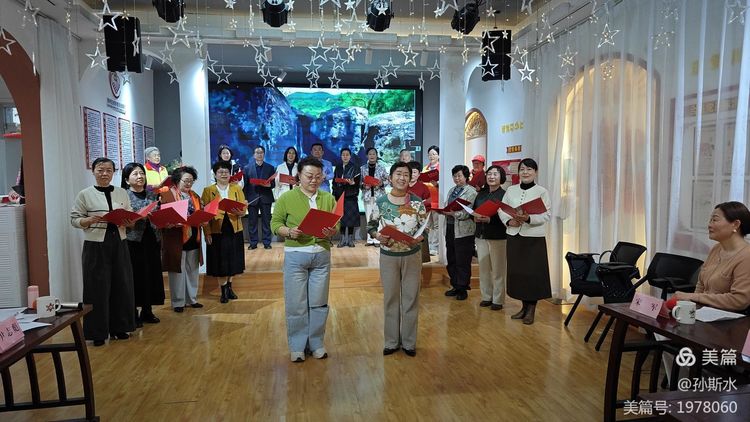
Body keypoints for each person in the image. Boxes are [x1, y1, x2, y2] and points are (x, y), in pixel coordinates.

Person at [271, 157, 339, 362]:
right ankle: (297, 346)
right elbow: (275, 224)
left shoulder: (328, 198)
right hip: (296, 255)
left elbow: (336, 224)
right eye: (309, 176)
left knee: (319, 303)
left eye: (318, 176)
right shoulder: (286, 198)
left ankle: (316, 343)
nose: (314, 180)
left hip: (321, 255)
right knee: (296, 303)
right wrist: (289, 231)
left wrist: (332, 231)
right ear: (298, 175)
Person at [70, 157, 136, 346]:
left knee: (122, 284)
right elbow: (74, 219)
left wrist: (130, 222)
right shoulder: (85, 194)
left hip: (119, 242)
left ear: (114, 172)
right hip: (95, 245)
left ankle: (120, 328)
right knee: (96, 288)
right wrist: (87, 221)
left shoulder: (121, 193)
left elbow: (130, 217)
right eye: (100, 170)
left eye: (108, 170)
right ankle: (97, 332)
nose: (105, 173)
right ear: (93, 172)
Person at [368, 162, 429, 357]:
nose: (402, 178)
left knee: (411, 298)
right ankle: (391, 341)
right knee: (391, 299)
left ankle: (409, 342)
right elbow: (370, 226)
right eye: (398, 174)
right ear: (390, 178)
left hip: (412, 255)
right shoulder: (381, 202)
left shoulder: (417, 202)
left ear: (410, 178)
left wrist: (420, 237)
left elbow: (425, 228)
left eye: (406, 175)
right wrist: (377, 236)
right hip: (389, 256)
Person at [498, 158, 551, 325]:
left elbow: (547, 215)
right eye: (522, 169)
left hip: (534, 239)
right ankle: (523, 308)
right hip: (514, 236)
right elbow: (502, 209)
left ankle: (531, 310)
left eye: (529, 169)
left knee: (533, 274)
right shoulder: (511, 190)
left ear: (535, 172)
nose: (525, 172)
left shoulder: (542, 191)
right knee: (518, 274)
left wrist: (529, 218)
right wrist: (509, 221)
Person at [674, 201, 750, 312]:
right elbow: (701, 285)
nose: (709, 225)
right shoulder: (716, 249)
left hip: (729, 319)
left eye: (715, 220)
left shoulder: (746, 256)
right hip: (704, 313)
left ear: (735, 224)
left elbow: (739, 300)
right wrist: (691, 307)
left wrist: (694, 297)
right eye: (710, 220)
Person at [121, 162, 164, 326]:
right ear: (127, 180)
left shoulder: (152, 195)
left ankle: (147, 310)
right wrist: (137, 217)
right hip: (133, 241)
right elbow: (122, 219)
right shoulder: (123, 196)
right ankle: (132, 312)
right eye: (135, 174)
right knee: (135, 276)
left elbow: (158, 216)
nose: (140, 176)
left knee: (151, 274)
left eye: (141, 173)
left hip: (152, 239)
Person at [202, 161, 248, 303]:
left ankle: (229, 287)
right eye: (220, 172)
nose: (223, 174)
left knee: (233, 259)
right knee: (220, 260)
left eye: (226, 172)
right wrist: (207, 232)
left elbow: (243, 209)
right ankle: (223, 291)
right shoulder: (208, 190)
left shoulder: (236, 188)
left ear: (230, 174)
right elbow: (204, 215)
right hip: (217, 229)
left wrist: (241, 212)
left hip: (234, 228)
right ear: (215, 174)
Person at [161, 166, 204, 312]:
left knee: (192, 269)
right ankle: (178, 302)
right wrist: (169, 222)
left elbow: (200, 212)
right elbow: (163, 218)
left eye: (191, 181)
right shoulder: (167, 195)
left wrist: (204, 219)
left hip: (193, 235)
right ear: (177, 180)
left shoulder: (195, 196)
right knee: (177, 271)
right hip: (176, 237)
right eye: (186, 181)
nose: (189, 184)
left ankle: (192, 299)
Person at [472, 165, 508, 311]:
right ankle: (486, 296)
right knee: (484, 269)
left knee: (498, 270)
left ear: (501, 177)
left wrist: (490, 220)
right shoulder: (481, 194)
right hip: (481, 235)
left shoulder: (505, 195)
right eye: (489, 174)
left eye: (495, 174)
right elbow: (473, 211)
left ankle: (498, 299)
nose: (491, 177)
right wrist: (474, 217)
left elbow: (507, 217)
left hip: (498, 236)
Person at [441, 165, 478, 301]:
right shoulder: (452, 190)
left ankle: (463, 288)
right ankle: (455, 285)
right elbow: (447, 206)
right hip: (450, 228)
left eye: (459, 176)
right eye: (455, 176)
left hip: (464, 231)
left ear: (466, 177)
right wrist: (444, 211)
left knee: (463, 260)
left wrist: (453, 214)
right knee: (451, 258)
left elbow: (468, 212)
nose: (457, 178)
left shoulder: (471, 192)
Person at [243, 145, 276, 250]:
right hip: (252, 198)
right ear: (254, 155)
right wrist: (245, 199)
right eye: (257, 152)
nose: (259, 154)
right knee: (252, 222)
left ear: (264, 154)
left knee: (266, 221)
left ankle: (267, 242)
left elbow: (273, 184)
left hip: (265, 197)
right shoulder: (247, 168)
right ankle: (253, 243)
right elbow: (245, 186)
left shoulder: (270, 167)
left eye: (261, 152)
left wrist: (269, 185)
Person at [333, 148, 361, 248]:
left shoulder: (355, 167)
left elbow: (358, 182)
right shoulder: (338, 167)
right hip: (339, 195)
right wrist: (334, 194)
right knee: (341, 218)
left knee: (350, 219)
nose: (345, 156)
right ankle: (342, 239)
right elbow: (334, 182)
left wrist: (353, 183)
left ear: (350, 156)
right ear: (341, 156)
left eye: (347, 155)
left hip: (351, 196)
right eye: (343, 155)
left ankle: (349, 239)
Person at [361, 147, 390, 246]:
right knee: (368, 217)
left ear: (377, 156)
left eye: (374, 154)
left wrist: (381, 183)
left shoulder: (382, 168)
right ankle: (370, 239)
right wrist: (364, 185)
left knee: (378, 218)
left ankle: (378, 239)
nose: (372, 156)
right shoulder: (363, 168)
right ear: (367, 156)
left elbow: (387, 180)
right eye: (370, 154)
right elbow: (359, 182)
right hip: (368, 196)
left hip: (379, 196)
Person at [407, 161, 432, 263]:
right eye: (410, 172)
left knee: (420, 242)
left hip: (419, 219)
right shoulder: (403, 186)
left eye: (414, 172)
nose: (412, 175)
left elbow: (429, 201)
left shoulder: (423, 187)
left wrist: (421, 205)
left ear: (419, 174)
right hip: (405, 219)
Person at [424, 145, 440, 255]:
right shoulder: (425, 168)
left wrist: (437, 184)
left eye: (434, 154)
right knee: (428, 225)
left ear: (439, 155)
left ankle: (435, 246)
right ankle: (429, 245)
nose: (432, 156)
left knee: (437, 225)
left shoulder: (441, 168)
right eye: (430, 154)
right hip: (427, 200)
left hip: (438, 200)